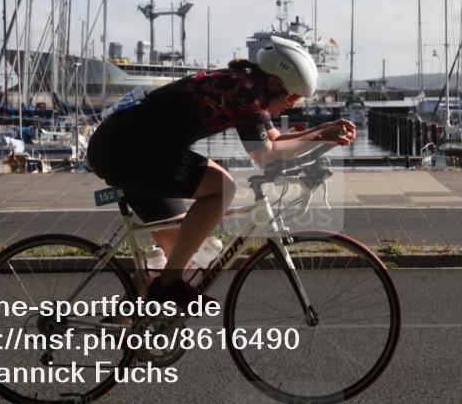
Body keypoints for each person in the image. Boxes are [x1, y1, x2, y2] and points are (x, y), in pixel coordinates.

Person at [86, 36, 356, 306]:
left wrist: (322, 131)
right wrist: (322, 138)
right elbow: (267, 157)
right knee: (222, 186)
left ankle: (131, 331)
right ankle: (167, 285)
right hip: (128, 150)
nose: (293, 103)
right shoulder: (244, 93)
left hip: (135, 149)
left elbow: (274, 141)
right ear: (274, 83)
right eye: (293, 96)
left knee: (184, 254)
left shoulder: (247, 85)